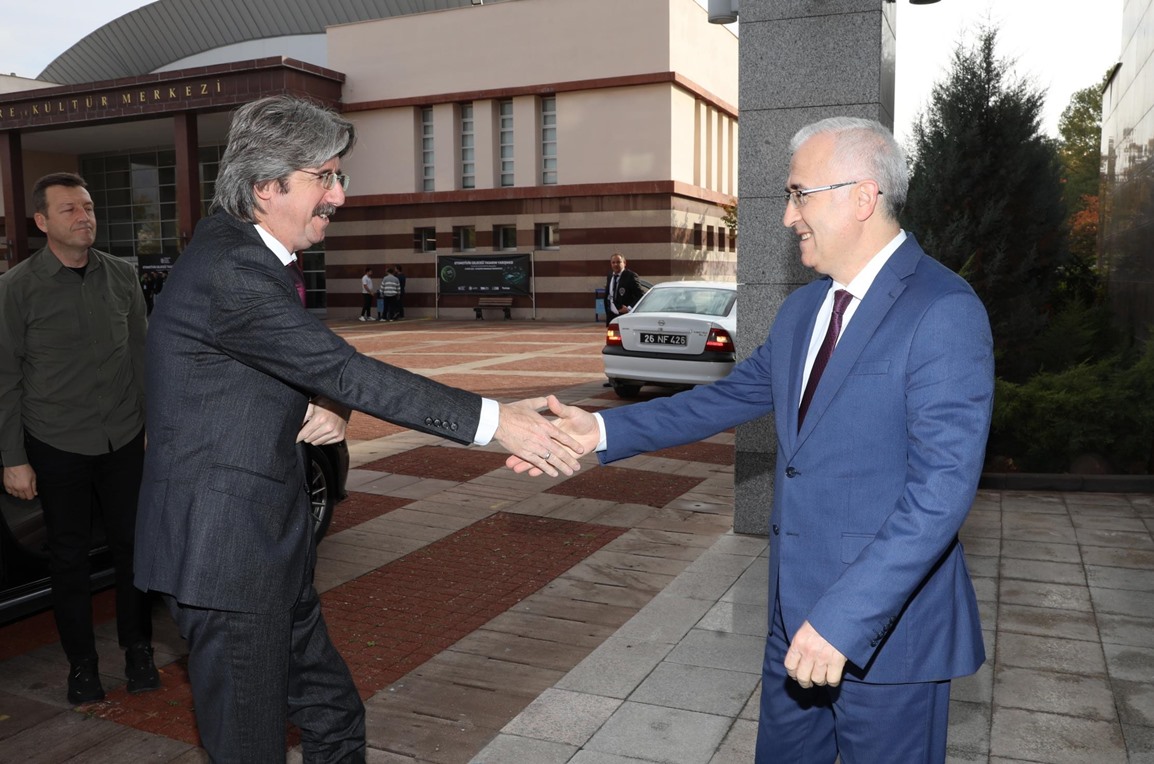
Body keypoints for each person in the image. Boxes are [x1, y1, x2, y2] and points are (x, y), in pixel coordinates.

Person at [516, 117, 994, 763]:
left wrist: (844, 620)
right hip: (794, 609)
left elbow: (941, 492)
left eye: (800, 194)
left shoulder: (942, 308)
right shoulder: (805, 309)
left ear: (862, 196)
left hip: (885, 627)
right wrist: (600, 428)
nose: (787, 216)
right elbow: (731, 397)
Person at [133, 95, 582, 763]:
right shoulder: (232, 269)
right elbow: (343, 366)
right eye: (325, 177)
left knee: (335, 716)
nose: (340, 195)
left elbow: (285, 361)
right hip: (227, 563)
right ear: (265, 187)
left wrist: (328, 401)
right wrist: (497, 422)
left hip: (268, 553)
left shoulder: (242, 255)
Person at [0, 172, 160, 705]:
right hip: (56, 442)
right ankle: (82, 667)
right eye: (69, 209)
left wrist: (151, 430)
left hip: (123, 439)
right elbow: (6, 380)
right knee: (67, 559)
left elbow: (141, 358)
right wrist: (14, 458)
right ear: (42, 222)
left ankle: (139, 650)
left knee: (134, 549)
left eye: (88, 207)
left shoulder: (120, 276)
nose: (84, 217)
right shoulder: (15, 289)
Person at [604, 252, 643, 327]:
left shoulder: (631, 276)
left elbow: (640, 295)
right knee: (612, 338)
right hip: (611, 315)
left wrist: (629, 308)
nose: (615, 264)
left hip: (625, 316)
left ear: (624, 263)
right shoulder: (610, 276)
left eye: (618, 262)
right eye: (613, 262)